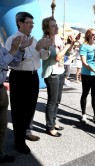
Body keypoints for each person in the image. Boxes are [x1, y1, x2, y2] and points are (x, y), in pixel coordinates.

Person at [5, 12, 52, 154]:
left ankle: (27, 131)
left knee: (30, 107)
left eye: (33, 23)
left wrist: (45, 48)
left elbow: (43, 57)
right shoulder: (12, 39)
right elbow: (12, 61)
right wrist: (25, 48)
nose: (32, 25)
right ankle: (19, 142)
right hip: (19, 77)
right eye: (29, 22)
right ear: (20, 23)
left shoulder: (34, 39)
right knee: (19, 110)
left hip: (33, 77)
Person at [40, 16, 78, 137]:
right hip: (52, 73)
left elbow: (66, 53)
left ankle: (53, 121)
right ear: (47, 28)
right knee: (52, 100)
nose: (56, 27)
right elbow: (56, 57)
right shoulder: (46, 41)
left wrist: (72, 43)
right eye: (53, 26)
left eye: (56, 25)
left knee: (58, 100)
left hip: (60, 71)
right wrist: (67, 45)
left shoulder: (58, 39)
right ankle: (50, 126)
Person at [0, 36, 32, 163]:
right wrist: (14, 49)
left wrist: (20, 49)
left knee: (2, 126)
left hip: (1, 89)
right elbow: (2, 64)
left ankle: (0, 153)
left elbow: (12, 62)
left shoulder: (0, 47)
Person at [79, 28, 95, 125]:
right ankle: (83, 115)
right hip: (87, 74)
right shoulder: (84, 46)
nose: (94, 36)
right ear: (88, 35)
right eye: (92, 35)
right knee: (85, 94)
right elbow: (84, 63)